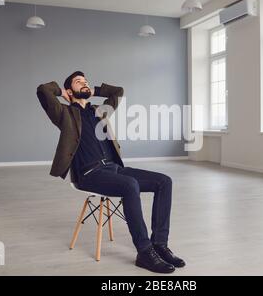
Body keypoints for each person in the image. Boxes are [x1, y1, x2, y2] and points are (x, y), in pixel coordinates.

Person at [36, 71, 185, 273]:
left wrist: (92, 90)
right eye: (79, 82)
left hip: (114, 169)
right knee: (130, 184)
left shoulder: (99, 110)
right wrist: (61, 92)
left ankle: (159, 244)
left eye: (86, 81)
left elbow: (118, 92)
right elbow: (43, 91)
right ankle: (144, 251)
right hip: (89, 174)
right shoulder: (64, 113)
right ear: (69, 90)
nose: (85, 83)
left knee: (164, 181)